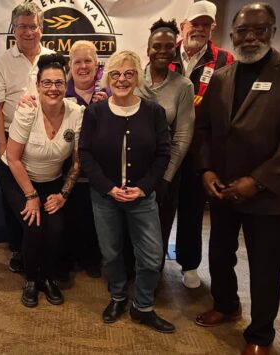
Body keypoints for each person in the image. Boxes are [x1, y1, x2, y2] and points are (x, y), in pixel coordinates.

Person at [194, 3, 280, 355]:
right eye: (243, 30)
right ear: (232, 33)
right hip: (223, 187)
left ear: (272, 31)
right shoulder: (223, 76)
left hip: (269, 193)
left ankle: (260, 335)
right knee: (220, 253)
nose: (251, 37)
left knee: (266, 264)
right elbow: (204, 128)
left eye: (259, 29)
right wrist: (206, 169)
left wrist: (258, 180)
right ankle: (225, 304)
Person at [79, 50, 174, 333]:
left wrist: (144, 188)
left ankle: (142, 306)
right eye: (116, 74)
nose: (122, 79)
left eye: (129, 73)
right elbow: (84, 153)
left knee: (152, 255)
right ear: (108, 78)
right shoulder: (95, 112)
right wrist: (108, 188)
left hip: (142, 198)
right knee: (110, 253)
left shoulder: (154, 112)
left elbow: (163, 154)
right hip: (105, 198)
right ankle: (118, 296)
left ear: (137, 77)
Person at [0, 53, 83, 308]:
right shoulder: (27, 110)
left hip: (52, 180)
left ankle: (48, 278)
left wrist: (64, 194)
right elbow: (12, 159)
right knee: (34, 226)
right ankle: (32, 280)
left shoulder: (76, 113)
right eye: (47, 82)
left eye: (58, 82)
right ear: (37, 86)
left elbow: (78, 162)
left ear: (66, 84)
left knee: (56, 227)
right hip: (17, 176)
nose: (53, 88)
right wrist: (31, 196)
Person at [169, 0, 234, 288]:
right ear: (183, 27)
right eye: (194, 23)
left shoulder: (225, 60)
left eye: (205, 24)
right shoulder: (164, 53)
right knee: (160, 207)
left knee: (193, 210)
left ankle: (189, 264)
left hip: (201, 149)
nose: (199, 29)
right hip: (167, 148)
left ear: (213, 29)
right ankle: (153, 260)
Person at [0, 2, 54, 273]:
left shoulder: (52, 58)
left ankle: (47, 252)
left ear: (41, 28)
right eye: (23, 27)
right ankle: (18, 250)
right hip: (11, 139)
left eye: (34, 26)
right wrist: (2, 146)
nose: (29, 32)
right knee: (15, 203)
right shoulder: (2, 63)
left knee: (45, 198)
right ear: (14, 30)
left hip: (46, 139)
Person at [136, 18, 195, 272]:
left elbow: (182, 136)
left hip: (165, 173)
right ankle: (127, 275)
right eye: (156, 46)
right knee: (129, 227)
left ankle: (151, 279)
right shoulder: (134, 79)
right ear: (147, 48)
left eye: (168, 46)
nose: (162, 52)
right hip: (132, 168)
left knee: (157, 229)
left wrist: (166, 177)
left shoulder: (183, 86)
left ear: (175, 49)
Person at [61, 40, 108, 280]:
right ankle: (70, 258)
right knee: (71, 216)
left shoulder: (109, 94)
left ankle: (92, 258)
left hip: (98, 173)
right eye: (77, 61)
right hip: (67, 171)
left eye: (87, 60)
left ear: (97, 64)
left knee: (93, 217)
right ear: (70, 65)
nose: (83, 66)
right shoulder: (60, 93)